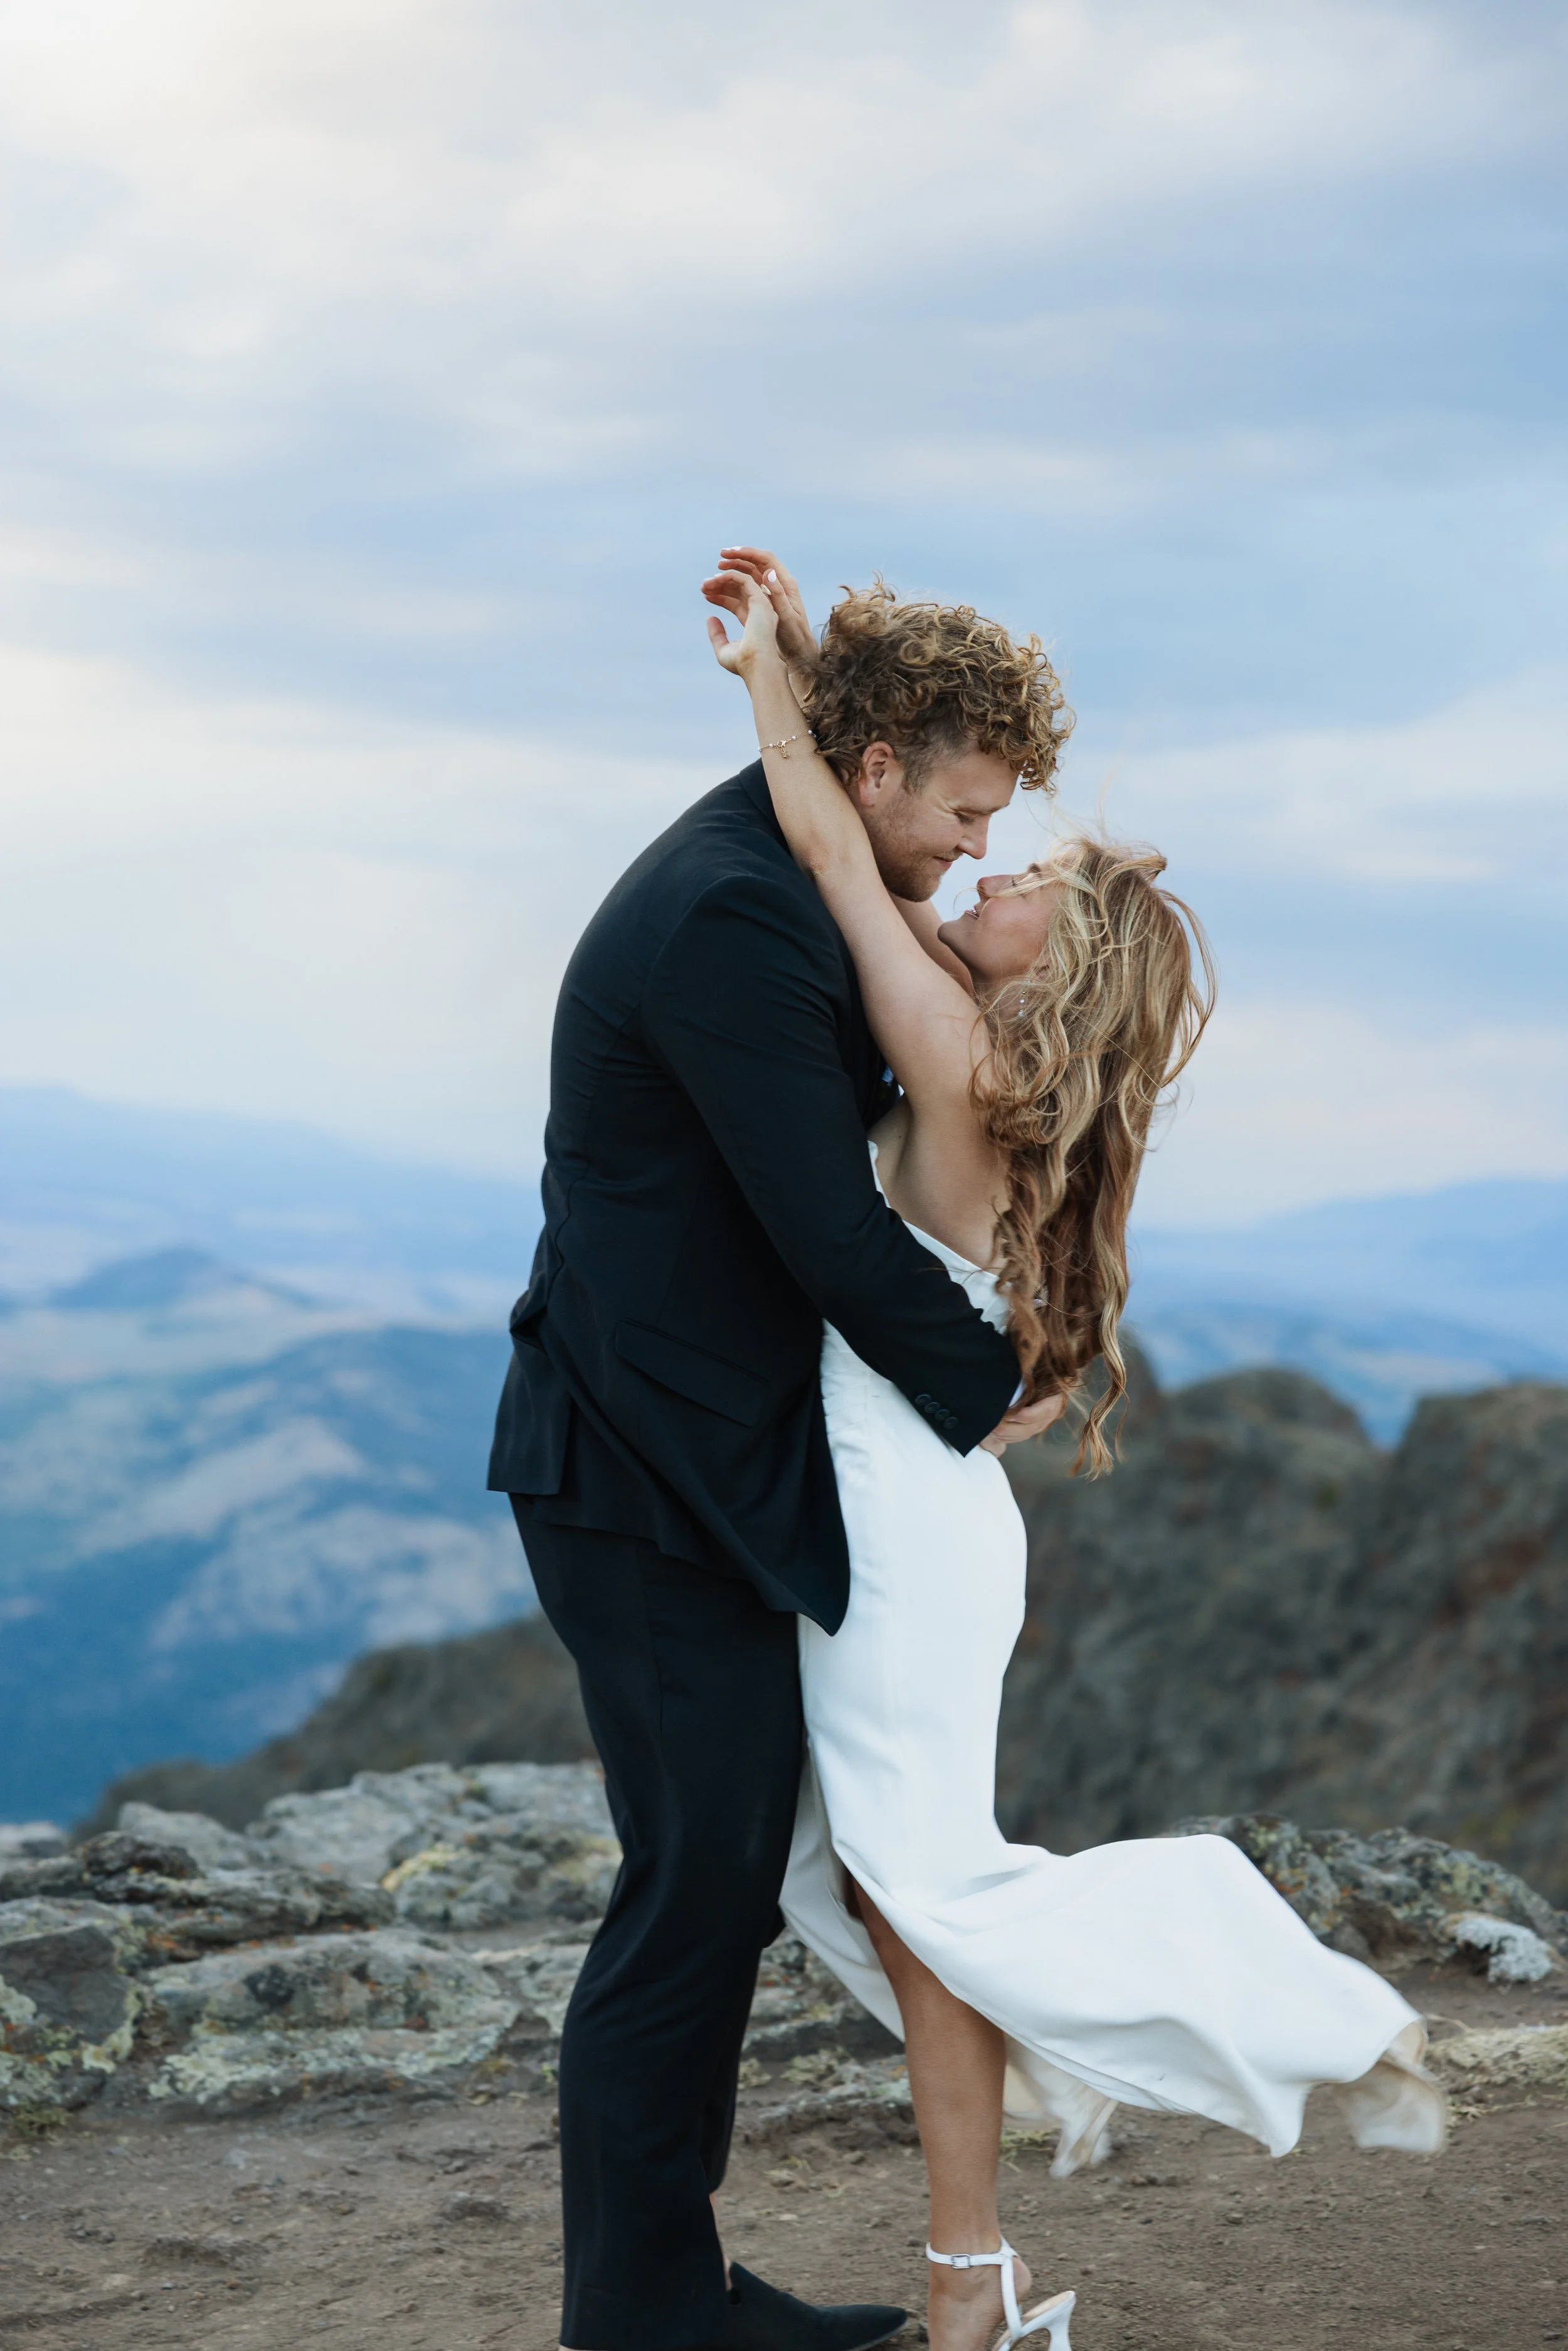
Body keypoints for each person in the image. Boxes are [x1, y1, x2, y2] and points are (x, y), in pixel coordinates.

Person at [702, 550, 1447, 2351]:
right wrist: (1101, 881)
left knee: (924, 1889)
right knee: (901, 1886)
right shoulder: (997, 1058)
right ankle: (975, 2270)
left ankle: (1005, 2248)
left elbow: (820, 833)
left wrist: (768, 680)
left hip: (898, 1517)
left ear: (1054, 966)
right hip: (925, 1511)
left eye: (1018, 877)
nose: (978, 866)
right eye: (984, 841)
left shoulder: (953, 1045)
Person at [488, 566, 1071, 2351]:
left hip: (701, 1464)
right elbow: (826, 1230)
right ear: (881, 768)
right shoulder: (732, 915)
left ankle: (666, 2294)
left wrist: (783, 669)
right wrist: (991, 1385)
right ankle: (646, 2321)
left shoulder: (794, 853)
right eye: (967, 809)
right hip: (639, 1480)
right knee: (695, 1888)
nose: (979, 843)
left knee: (721, 1878)